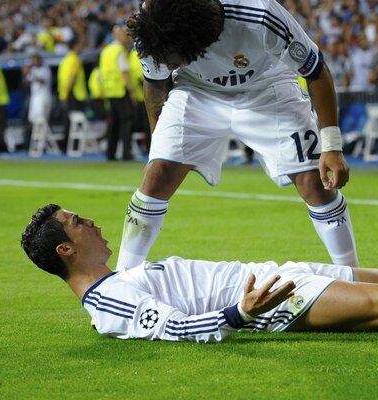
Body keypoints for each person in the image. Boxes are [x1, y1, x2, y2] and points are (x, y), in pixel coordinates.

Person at [21, 204, 378, 343]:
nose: (90, 220)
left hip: (268, 274)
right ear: (67, 249)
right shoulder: (107, 302)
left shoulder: (120, 276)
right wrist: (241, 312)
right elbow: (171, 329)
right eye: (78, 221)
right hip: (267, 298)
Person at [117, 0, 358, 271]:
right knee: (157, 174)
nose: (167, 64)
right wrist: (159, 140)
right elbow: (156, 83)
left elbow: (316, 71)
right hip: (196, 91)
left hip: (268, 86)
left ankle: (356, 276)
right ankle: (122, 278)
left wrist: (332, 147)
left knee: (315, 183)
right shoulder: (153, 27)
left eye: (173, 59)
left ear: (201, 40)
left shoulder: (261, 15)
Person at [99, 24, 135, 161]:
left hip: (109, 91)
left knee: (113, 124)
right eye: (125, 34)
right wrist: (131, 91)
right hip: (120, 91)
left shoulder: (105, 51)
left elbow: (102, 73)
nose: (128, 37)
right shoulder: (120, 51)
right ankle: (126, 153)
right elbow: (124, 71)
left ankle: (110, 153)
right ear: (117, 36)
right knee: (126, 121)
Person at [57, 36, 88, 151]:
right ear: (75, 46)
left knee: (67, 121)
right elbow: (73, 77)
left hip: (65, 94)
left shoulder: (65, 60)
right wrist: (69, 91)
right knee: (76, 123)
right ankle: (75, 146)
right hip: (75, 95)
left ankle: (65, 145)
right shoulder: (75, 59)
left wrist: (64, 94)